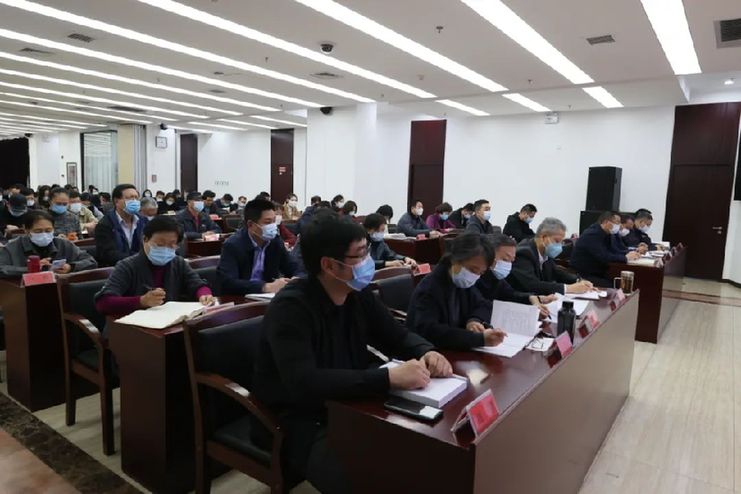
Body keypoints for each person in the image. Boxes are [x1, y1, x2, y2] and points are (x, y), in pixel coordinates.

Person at [251, 211, 451, 493]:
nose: (368, 261)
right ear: (329, 265)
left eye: (367, 251)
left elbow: (395, 335)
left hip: (351, 402)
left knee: (420, 457)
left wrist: (426, 351)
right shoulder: (291, 309)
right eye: (360, 254)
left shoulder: (357, 292)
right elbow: (304, 383)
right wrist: (388, 379)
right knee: (370, 481)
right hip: (300, 418)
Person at [94, 216, 213, 319]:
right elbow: (103, 302)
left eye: (172, 245)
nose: (165, 249)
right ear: (145, 239)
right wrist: (141, 301)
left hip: (169, 323)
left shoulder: (178, 262)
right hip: (134, 328)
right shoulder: (127, 266)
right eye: (160, 244)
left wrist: (204, 295)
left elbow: (197, 284)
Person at [406, 233, 508, 350]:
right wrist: (479, 339)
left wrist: (474, 320)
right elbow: (431, 332)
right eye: (473, 269)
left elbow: (484, 304)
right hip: (428, 351)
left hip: (455, 349)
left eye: (481, 272)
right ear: (454, 259)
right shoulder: (430, 288)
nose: (475, 276)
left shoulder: (462, 282)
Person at [217, 198, 298, 295]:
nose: (273, 226)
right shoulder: (233, 245)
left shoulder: (275, 241)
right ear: (251, 224)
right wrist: (265, 287)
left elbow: (294, 267)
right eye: (268, 222)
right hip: (241, 298)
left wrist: (296, 278)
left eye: (274, 221)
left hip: (269, 298)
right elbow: (228, 283)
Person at [509, 217, 594, 296]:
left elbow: (556, 272)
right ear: (543, 237)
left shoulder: (545, 251)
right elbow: (532, 285)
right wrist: (568, 288)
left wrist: (578, 280)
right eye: (557, 241)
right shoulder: (524, 253)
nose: (560, 246)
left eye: (561, 242)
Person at [0, 210, 97, 278]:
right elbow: (2, 269)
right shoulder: (12, 247)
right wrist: (31, 269)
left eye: (48, 230)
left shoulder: (63, 244)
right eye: (38, 231)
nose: (44, 234)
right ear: (26, 230)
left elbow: (91, 261)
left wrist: (71, 267)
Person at [474, 234, 551, 315]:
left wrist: (531, 297)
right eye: (505, 259)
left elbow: (510, 294)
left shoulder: (496, 276)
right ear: (488, 255)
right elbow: (481, 304)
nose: (508, 265)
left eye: (511, 261)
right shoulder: (474, 277)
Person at [570, 211, 641, 287]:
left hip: (599, 271)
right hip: (584, 274)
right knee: (615, 286)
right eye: (617, 223)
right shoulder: (592, 234)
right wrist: (625, 258)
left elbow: (615, 250)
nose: (619, 226)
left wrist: (630, 253)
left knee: (622, 282)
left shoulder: (607, 233)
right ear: (606, 222)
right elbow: (604, 256)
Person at [95, 184, 148, 267]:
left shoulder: (143, 221)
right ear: (116, 201)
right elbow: (109, 255)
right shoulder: (105, 224)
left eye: (136, 198)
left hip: (141, 267)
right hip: (115, 268)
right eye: (130, 198)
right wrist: (139, 259)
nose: (134, 201)